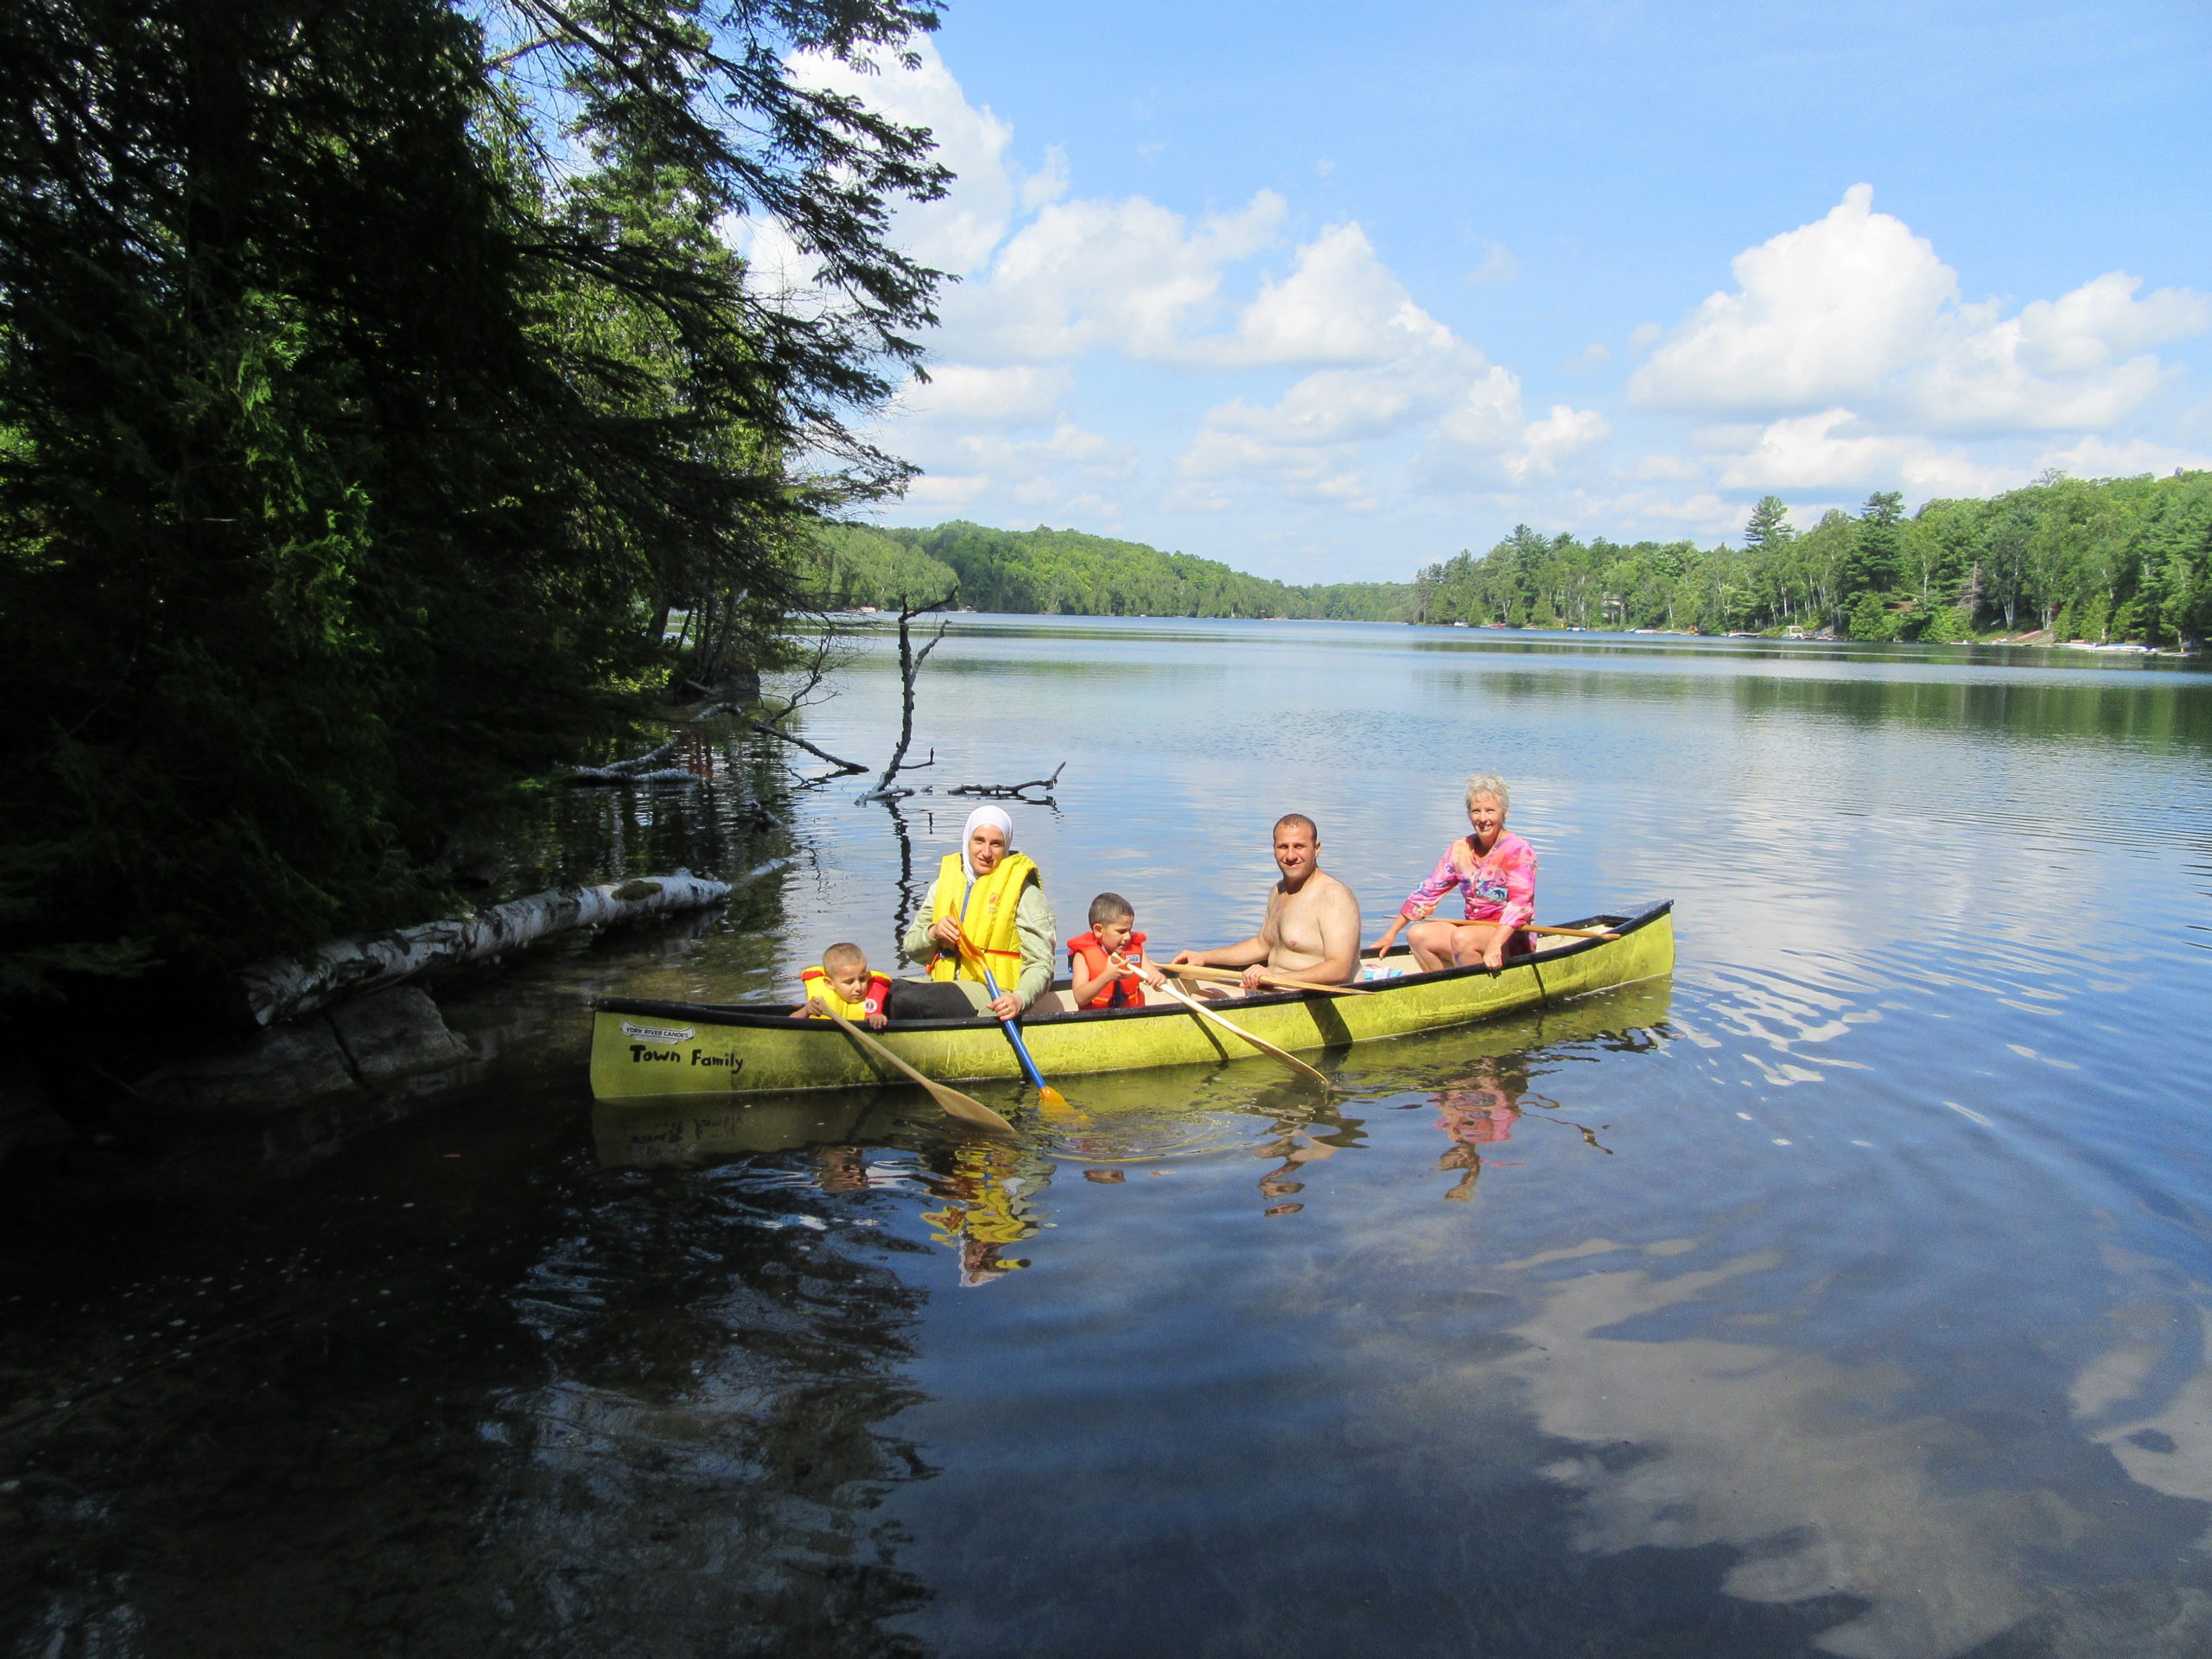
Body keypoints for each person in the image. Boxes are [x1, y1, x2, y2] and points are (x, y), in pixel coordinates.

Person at [891, 804, 1058, 1021]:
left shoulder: (1026, 894)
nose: (986, 853)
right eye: (979, 841)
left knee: (905, 1002)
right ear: (967, 840)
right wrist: (933, 932)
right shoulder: (942, 886)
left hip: (993, 993)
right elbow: (913, 950)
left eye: (996, 844)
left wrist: (1020, 998)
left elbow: (1041, 963)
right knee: (883, 992)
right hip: (942, 984)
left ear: (1006, 846)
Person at [1170, 813, 1362, 992]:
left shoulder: (1334, 897)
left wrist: (1277, 978)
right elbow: (1262, 944)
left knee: (1202, 998)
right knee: (1202, 993)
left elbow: (1340, 969)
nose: (1291, 856)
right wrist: (1204, 957)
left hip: (1313, 996)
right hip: (1272, 990)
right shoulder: (1279, 891)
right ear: (1274, 849)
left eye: (1299, 846)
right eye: (1283, 847)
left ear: (1316, 848)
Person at [1376, 772, 1535, 974]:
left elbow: (1520, 906)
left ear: (1505, 812)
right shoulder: (1460, 849)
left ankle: (1478, 985)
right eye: (1476, 811)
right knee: (1417, 935)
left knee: (1463, 938)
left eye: (1490, 811)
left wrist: (1495, 944)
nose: (1483, 819)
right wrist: (1391, 934)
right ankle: (1443, 983)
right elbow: (1428, 892)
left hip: (1510, 937)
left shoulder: (1519, 851)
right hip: (1472, 931)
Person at [1066, 892, 1164, 1009]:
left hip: (1134, 1016)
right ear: (1099, 930)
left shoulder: (1135, 949)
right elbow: (1080, 998)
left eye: (1129, 930)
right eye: (1121, 931)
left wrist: (1158, 978)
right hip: (1097, 1019)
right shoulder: (1082, 956)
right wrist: (1106, 977)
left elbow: (1154, 977)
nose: (1127, 937)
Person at [788, 941, 891, 1028]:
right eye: (849, 982)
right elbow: (789, 1023)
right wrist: (806, 1011)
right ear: (830, 983)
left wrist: (878, 1018)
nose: (858, 987)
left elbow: (882, 1016)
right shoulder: (818, 1004)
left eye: (862, 979)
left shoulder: (872, 1002)